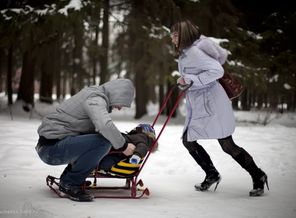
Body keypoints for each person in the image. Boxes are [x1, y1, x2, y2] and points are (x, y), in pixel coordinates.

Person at [170, 20, 269, 196]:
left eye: (175, 35)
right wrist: (185, 81)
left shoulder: (193, 52)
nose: (172, 38)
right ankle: (212, 174)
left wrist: (191, 79)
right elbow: (194, 75)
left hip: (212, 104)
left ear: (184, 35)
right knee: (189, 140)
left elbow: (217, 71)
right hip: (202, 103)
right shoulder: (186, 52)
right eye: (172, 35)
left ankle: (258, 175)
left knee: (226, 145)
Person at [35, 79, 136, 202]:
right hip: (51, 149)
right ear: (117, 94)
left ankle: (69, 178)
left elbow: (99, 128)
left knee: (100, 140)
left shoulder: (94, 94)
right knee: (103, 143)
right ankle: (70, 183)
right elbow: (104, 125)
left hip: (52, 145)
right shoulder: (96, 99)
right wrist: (123, 146)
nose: (120, 108)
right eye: (122, 102)